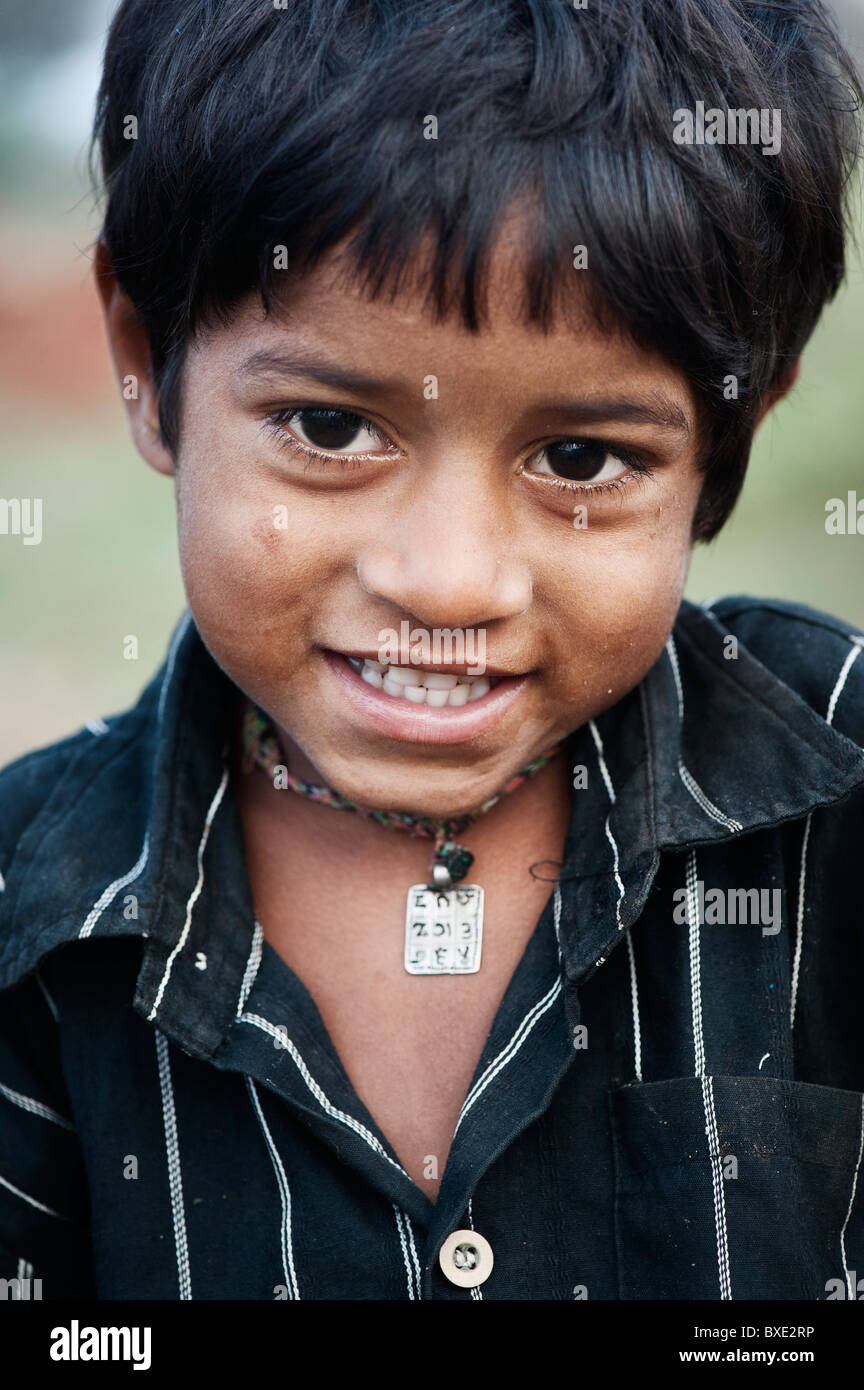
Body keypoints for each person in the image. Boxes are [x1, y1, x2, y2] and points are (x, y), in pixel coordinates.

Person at [1, 0, 863, 1302]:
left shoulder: (841, 793)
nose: (450, 578)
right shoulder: (34, 925)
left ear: (731, 434)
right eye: (331, 429)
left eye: (582, 458)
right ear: (144, 357)